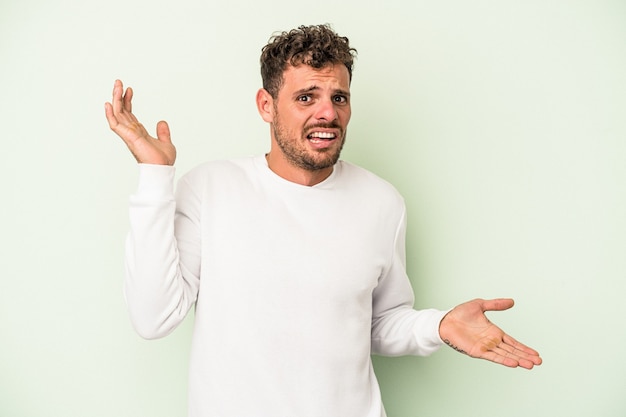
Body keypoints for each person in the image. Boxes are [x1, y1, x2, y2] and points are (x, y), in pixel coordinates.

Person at [105, 24, 541, 417]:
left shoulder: (382, 202)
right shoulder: (210, 189)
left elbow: (378, 322)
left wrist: (438, 325)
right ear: (266, 105)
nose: (328, 113)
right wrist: (155, 177)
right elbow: (153, 317)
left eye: (339, 98)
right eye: (306, 97)